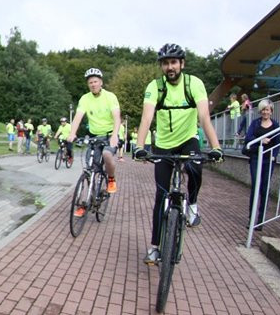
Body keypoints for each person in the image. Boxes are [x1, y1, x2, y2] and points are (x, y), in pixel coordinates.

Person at [134, 43, 222, 265]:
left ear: (182, 64)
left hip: (187, 139)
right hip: (163, 144)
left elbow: (203, 117)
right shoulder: (155, 87)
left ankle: (192, 203)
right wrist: (139, 146)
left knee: (194, 167)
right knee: (161, 194)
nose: (170, 67)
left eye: (173, 62)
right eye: (165, 63)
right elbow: (146, 118)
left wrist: (216, 147)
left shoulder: (194, 84)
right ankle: (155, 247)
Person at [67, 68, 122, 203]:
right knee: (89, 169)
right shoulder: (85, 99)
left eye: (95, 81)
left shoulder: (110, 97)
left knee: (107, 155)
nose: (93, 84)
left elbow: (117, 117)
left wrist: (115, 135)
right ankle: (88, 200)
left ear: (101, 82)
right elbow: (77, 118)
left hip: (109, 134)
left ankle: (111, 178)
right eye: (90, 82)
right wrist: (72, 133)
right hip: (94, 136)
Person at [244, 99, 280, 228]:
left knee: (265, 188)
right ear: (261, 111)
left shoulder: (275, 125)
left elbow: (277, 143)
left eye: (268, 110)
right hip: (256, 158)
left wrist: (274, 156)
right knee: (256, 187)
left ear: (271, 111)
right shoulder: (255, 123)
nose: (266, 112)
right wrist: (260, 140)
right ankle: (251, 218)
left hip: (268, 160)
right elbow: (248, 138)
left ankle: (260, 221)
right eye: (264, 109)